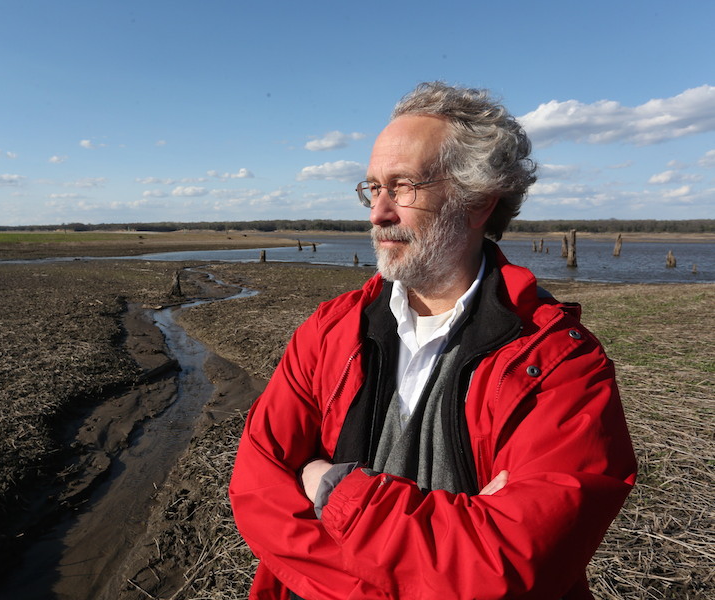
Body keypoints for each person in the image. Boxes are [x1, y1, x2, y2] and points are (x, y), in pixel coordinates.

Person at [229, 81, 637, 599]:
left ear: (479, 201)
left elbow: (509, 567)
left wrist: (331, 489)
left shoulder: (558, 362)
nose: (377, 212)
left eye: (403, 186)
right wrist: (449, 542)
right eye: (372, 188)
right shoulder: (329, 331)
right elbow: (256, 491)